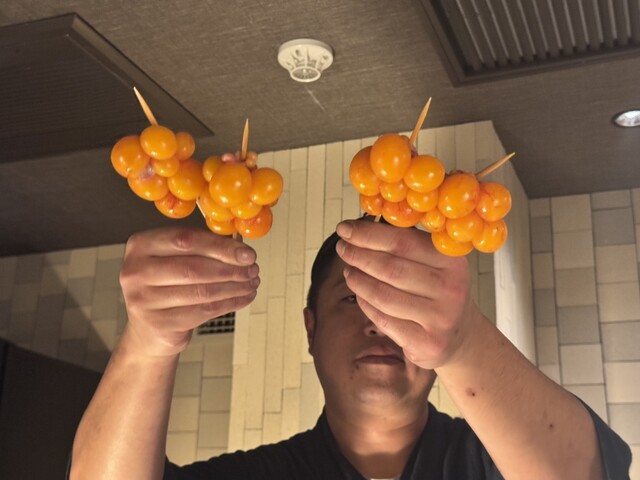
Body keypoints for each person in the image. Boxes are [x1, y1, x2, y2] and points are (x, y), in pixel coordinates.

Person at [68, 217, 632, 480]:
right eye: (352, 299)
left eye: (402, 302)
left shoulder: (494, 462)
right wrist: (147, 343)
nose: (379, 324)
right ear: (310, 329)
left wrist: (465, 340)